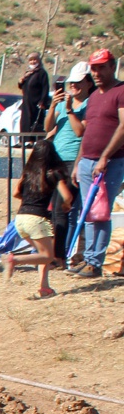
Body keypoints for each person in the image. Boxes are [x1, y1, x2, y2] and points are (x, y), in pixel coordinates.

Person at [74, 48, 124, 278]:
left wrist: (104, 157)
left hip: (110, 163)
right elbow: (87, 131)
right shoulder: (94, 96)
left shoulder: (120, 91)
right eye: (93, 68)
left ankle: (95, 262)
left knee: (101, 212)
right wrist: (79, 162)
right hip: (87, 162)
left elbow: (123, 126)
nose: (96, 73)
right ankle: (88, 258)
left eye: (101, 67)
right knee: (88, 212)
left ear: (112, 67)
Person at [4, 139, 76, 297]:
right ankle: (15, 260)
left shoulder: (28, 173)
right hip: (37, 219)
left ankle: (44, 287)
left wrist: (30, 199)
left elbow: (16, 193)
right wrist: (65, 205)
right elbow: (67, 196)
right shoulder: (54, 173)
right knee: (48, 256)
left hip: (21, 219)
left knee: (43, 251)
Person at [45, 63, 90, 263]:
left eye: (78, 82)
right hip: (56, 159)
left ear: (88, 83)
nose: (73, 86)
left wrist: (70, 110)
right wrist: (53, 106)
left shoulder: (89, 105)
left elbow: (80, 131)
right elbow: (48, 126)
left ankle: (60, 256)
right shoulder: (63, 104)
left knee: (62, 208)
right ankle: (58, 254)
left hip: (73, 160)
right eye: (72, 82)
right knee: (56, 209)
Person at [19, 53, 50, 138]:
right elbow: (22, 86)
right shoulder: (28, 73)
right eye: (31, 60)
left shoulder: (42, 73)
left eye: (34, 59)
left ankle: (32, 140)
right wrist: (21, 81)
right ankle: (24, 140)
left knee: (34, 122)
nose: (33, 62)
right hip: (26, 103)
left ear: (39, 60)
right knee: (25, 122)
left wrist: (42, 101)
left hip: (36, 103)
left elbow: (45, 88)